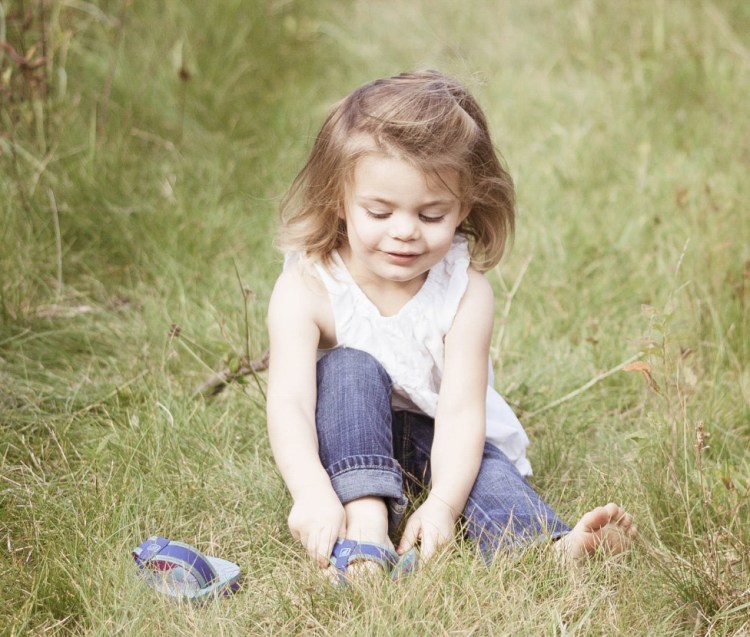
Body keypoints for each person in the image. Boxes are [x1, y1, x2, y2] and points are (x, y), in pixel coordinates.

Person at [266, 70, 635, 582]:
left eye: (431, 215)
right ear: (338, 199)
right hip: (346, 433)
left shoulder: (464, 293)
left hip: (439, 435)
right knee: (349, 368)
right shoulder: (309, 284)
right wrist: (310, 491)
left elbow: (461, 413)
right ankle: (365, 528)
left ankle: (545, 549)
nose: (404, 231)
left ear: (464, 207)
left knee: (486, 473)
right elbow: (290, 401)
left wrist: (442, 504)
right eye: (379, 211)